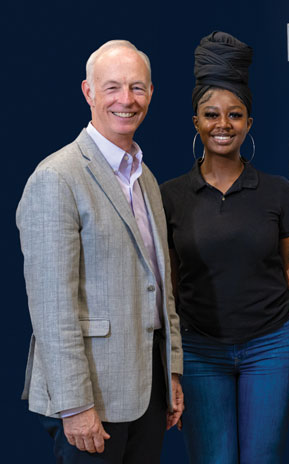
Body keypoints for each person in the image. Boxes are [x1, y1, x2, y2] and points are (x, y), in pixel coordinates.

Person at [16, 40, 183, 462]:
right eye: (112, 88)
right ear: (88, 93)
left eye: (137, 88)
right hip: (92, 400)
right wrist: (75, 405)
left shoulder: (145, 178)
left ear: (151, 93)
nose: (126, 100)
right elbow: (53, 308)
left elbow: (161, 286)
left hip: (148, 390)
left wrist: (172, 371)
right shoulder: (57, 177)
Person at [160, 31, 289, 464]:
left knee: (261, 458)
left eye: (235, 114)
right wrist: (169, 361)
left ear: (249, 122)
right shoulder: (169, 196)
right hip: (198, 350)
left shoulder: (277, 192)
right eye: (211, 114)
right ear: (195, 120)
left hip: (272, 345)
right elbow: (167, 284)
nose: (223, 124)